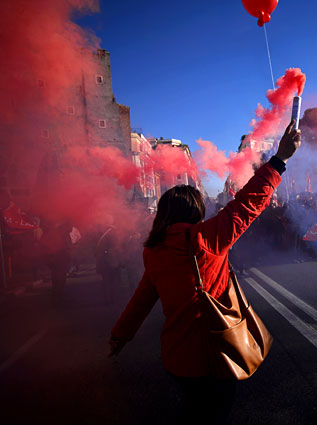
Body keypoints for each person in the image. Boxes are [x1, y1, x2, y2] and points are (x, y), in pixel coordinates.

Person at [109, 120, 301, 424]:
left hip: (177, 357)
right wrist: (280, 159)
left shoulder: (154, 251)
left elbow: (142, 299)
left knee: (197, 410)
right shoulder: (207, 237)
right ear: (196, 211)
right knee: (214, 412)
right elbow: (248, 203)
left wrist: (120, 335)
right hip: (215, 352)